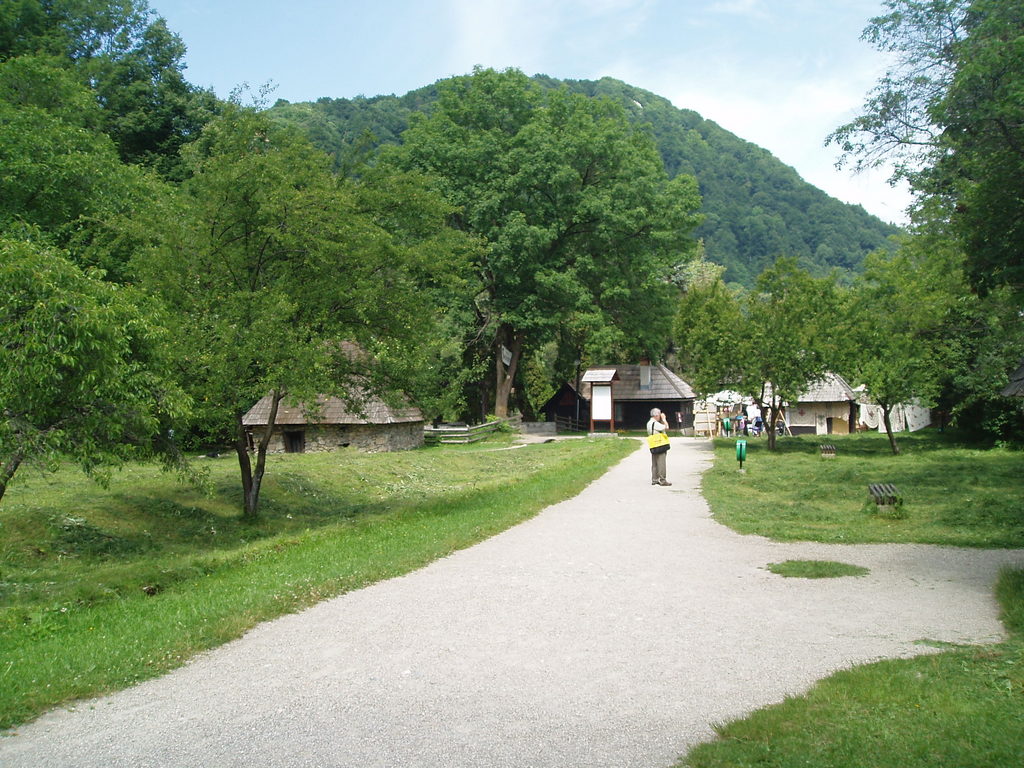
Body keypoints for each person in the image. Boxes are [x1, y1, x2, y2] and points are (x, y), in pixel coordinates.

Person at [646, 407, 672, 486]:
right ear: (656, 415)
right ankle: (663, 480)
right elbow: (666, 427)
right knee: (661, 462)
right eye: (660, 414)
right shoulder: (656, 424)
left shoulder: (649, 423)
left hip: (653, 444)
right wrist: (664, 419)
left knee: (654, 463)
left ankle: (654, 479)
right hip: (660, 444)